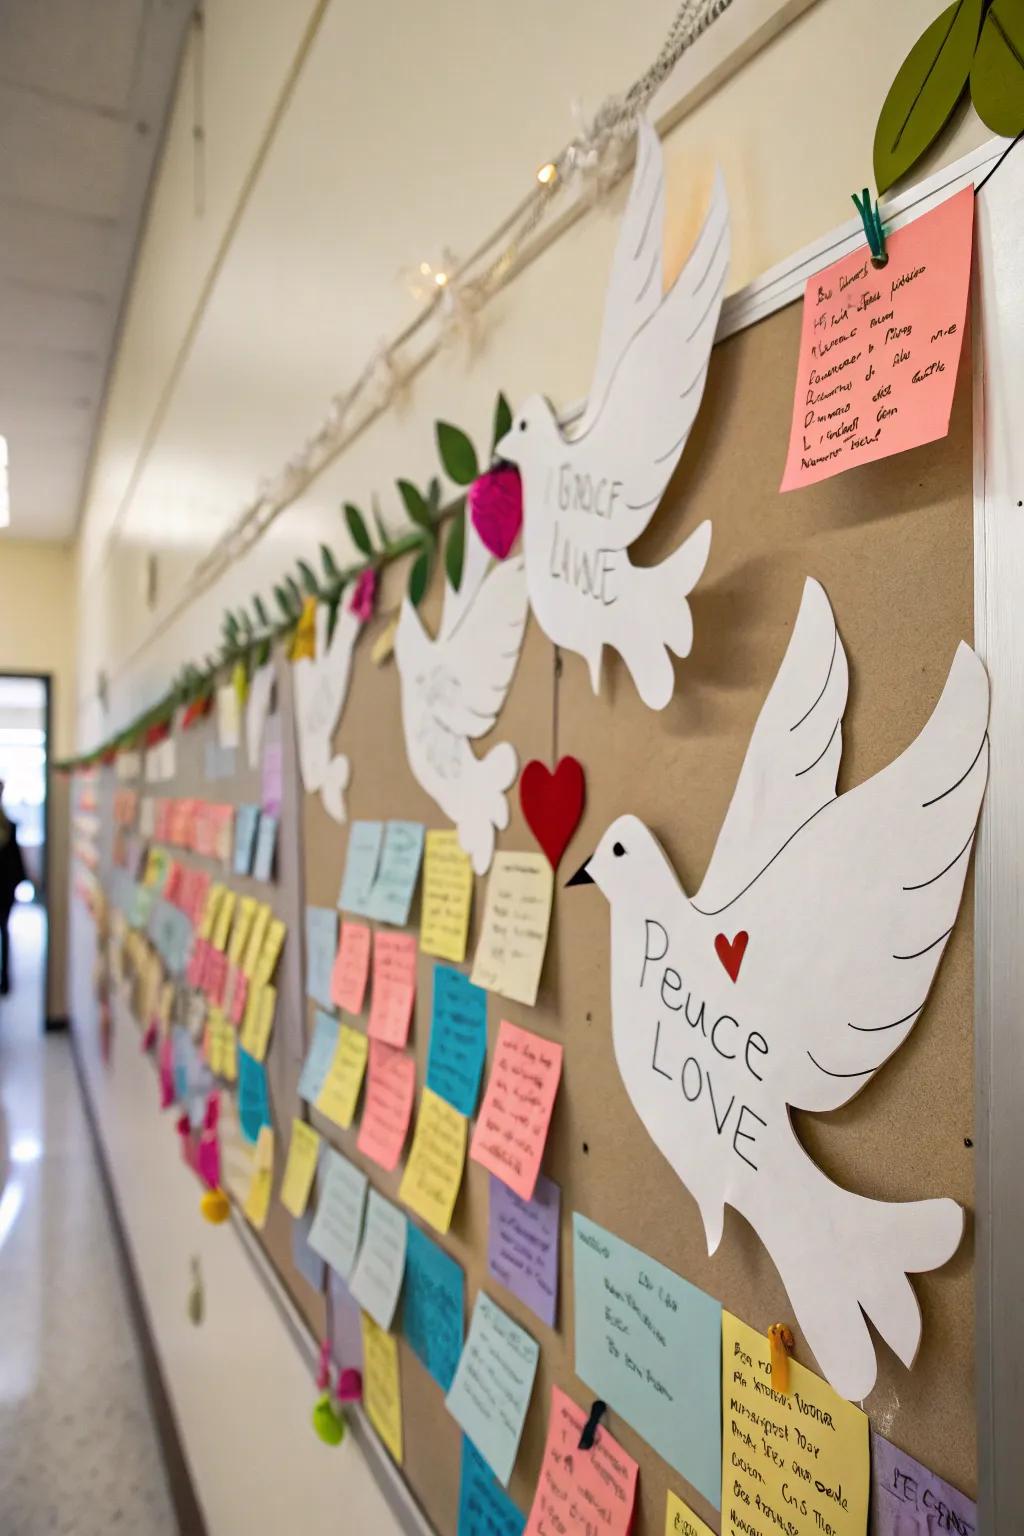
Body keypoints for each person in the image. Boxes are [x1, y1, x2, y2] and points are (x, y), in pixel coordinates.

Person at [0, 780, 26, 995]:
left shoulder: (8, 826)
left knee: (4, 931)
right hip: (6, 888)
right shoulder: (8, 825)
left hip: (4, 889)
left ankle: (5, 978)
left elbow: (16, 862)